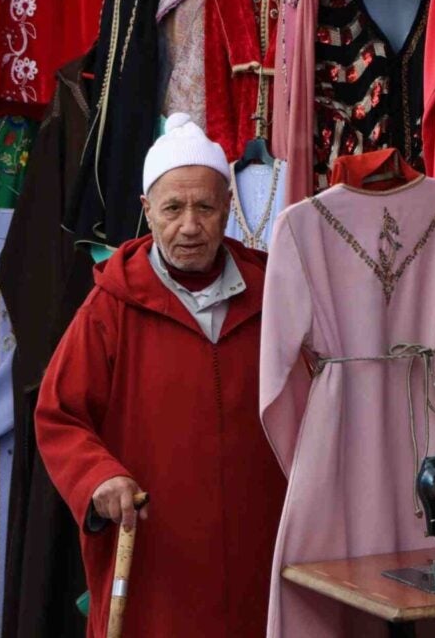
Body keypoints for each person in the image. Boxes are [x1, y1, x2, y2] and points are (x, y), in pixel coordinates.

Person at [35, 112, 287, 637]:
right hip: (157, 558)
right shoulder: (111, 305)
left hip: (262, 550)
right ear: (147, 211)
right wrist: (98, 476)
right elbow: (60, 415)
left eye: (206, 207)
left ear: (228, 209)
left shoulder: (275, 292)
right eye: (173, 208)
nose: (190, 226)